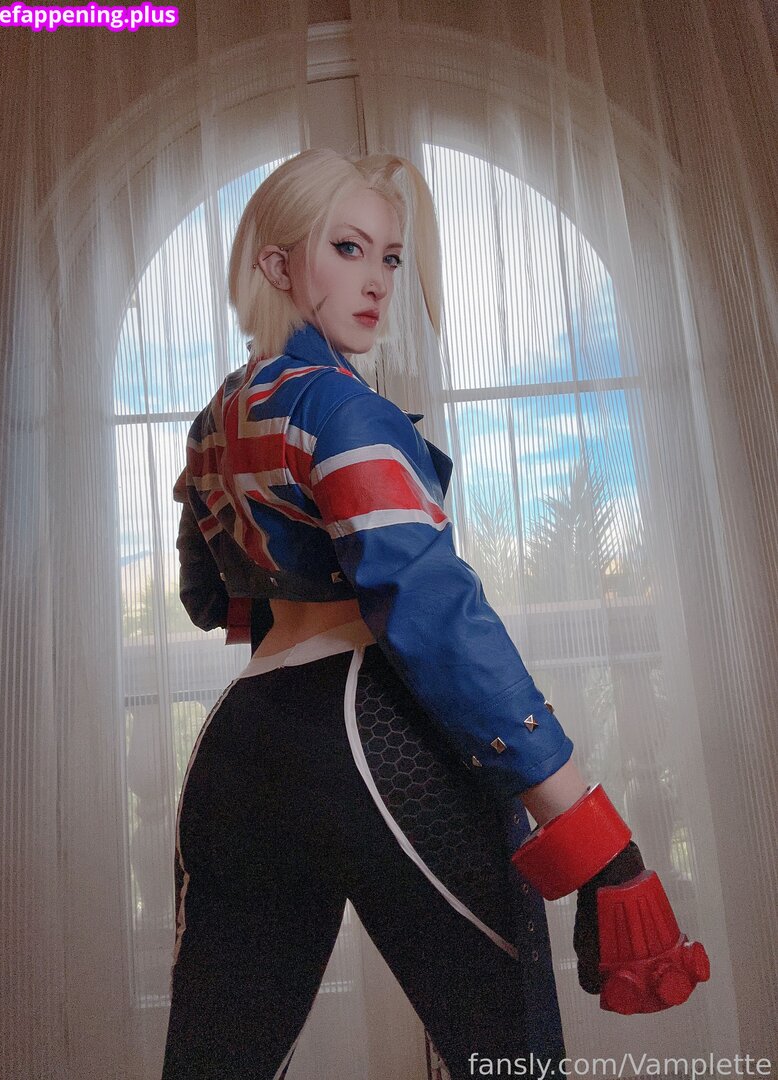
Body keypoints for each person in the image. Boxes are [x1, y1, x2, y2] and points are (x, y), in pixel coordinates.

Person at [163, 149, 708, 1080]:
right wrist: (600, 847)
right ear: (277, 263)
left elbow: (206, 596)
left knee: (219, 1064)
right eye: (348, 248)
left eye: (390, 256)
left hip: (241, 744)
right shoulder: (343, 408)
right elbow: (435, 617)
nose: (377, 281)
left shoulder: (214, 421)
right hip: (375, 734)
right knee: (508, 1056)